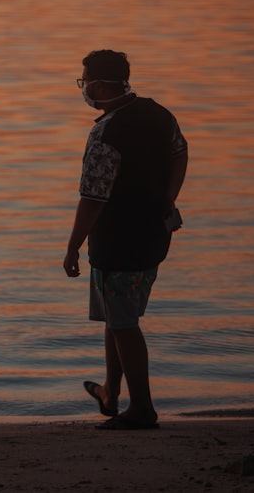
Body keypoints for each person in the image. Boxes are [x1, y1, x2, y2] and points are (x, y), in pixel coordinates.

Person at [62, 50, 188, 430]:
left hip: (118, 241)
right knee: (117, 318)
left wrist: (72, 246)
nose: (84, 89)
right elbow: (181, 154)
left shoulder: (105, 132)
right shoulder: (160, 114)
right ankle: (110, 392)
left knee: (124, 324)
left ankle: (142, 408)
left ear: (99, 84)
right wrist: (169, 197)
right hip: (153, 236)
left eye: (85, 82)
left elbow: (93, 198)